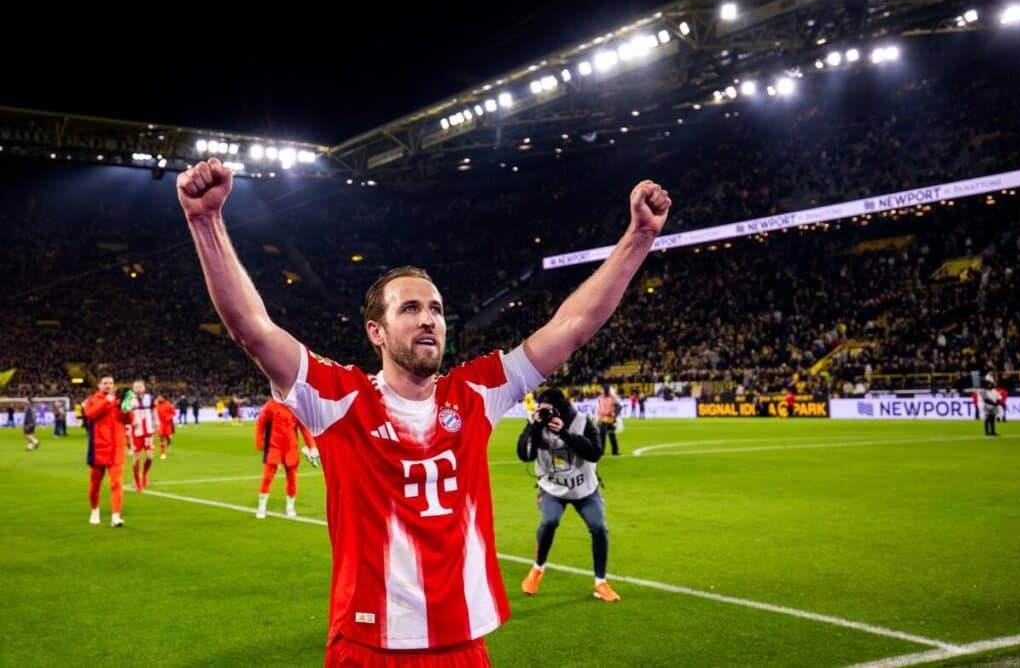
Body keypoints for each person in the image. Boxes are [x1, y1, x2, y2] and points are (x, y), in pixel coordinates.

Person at [177, 157, 670, 665]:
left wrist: (638, 237)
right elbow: (252, 329)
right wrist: (206, 221)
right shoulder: (338, 397)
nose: (428, 319)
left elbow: (573, 326)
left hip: (462, 643)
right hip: (369, 646)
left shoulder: (477, 390)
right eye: (410, 309)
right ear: (377, 332)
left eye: (435, 308)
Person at [516, 388, 619, 602]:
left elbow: (595, 453)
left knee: (599, 528)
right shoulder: (537, 423)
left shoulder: (581, 421)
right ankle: (537, 569)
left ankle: (601, 582)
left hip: (584, 489)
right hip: (553, 488)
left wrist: (564, 433)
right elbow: (524, 455)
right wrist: (534, 426)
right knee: (549, 521)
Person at [254, 399, 318, 519]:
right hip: (274, 447)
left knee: (292, 480)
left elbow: (304, 428)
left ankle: (290, 507)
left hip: (291, 448)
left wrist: (312, 446)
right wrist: (260, 442)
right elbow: (261, 423)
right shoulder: (271, 405)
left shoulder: (296, 406)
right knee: (267, 478)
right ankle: (262, 507)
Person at [83, 376, 133, 527]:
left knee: (116, 484)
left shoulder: (118, 402)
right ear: (99, 386)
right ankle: (95, 510)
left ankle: (116, 517)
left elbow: (129, 420)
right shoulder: (92, 400)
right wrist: (108, 400)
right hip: (98, 448)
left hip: (116, 448)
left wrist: (126, 407)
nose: (108, 385)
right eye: (105, 383)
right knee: (95, 484)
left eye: (111, 383)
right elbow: (90, 414)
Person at [128, 379, 156, 491]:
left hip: (148, 431)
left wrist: (156, 423)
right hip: (136, 432)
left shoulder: (150, 398)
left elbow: (154, 411)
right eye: (136, 387)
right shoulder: (129, 399)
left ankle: (144, 474)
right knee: (137, 458)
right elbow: (125, 414)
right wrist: (131, 422)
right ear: (133, 389)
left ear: (144, 388)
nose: (138, 389)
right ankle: (136, 479)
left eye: (140, 387)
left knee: (150, 457)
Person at [596, 386, 620, 455]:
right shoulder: (603, 398)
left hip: (606, 419)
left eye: (603, 390)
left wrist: (615, 416)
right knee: (608, 436)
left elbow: (618, 407)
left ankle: (603, 451)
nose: (602, 391)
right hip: (605, 419)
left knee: (605, 436)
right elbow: (618, 406)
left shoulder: (611, 397)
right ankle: (614, 451)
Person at [155, 394, 177, 459]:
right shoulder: (157, 405)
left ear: (163, 398)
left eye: (160, 397)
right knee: (161, 438)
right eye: (158, 397)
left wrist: (169, 417)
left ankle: (169, 444)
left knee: (167, 437)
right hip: (160, 424)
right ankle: (163, 453)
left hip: (167, 424)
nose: (158, 398)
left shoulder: (169, 405)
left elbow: (174, 413)